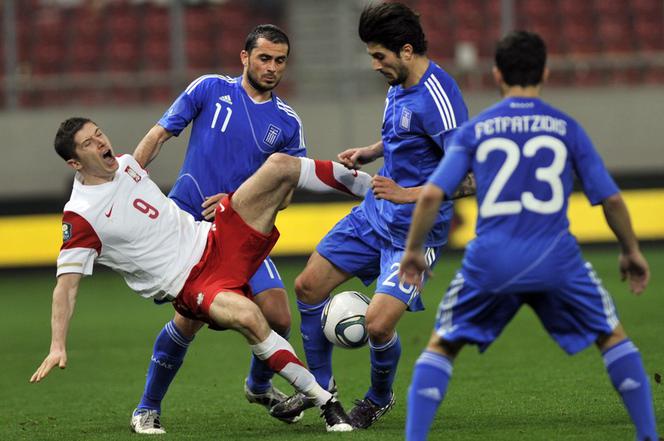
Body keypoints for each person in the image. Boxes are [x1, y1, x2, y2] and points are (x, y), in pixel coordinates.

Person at [29, 118, 377, 432]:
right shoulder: (80, 218)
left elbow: (154, 139)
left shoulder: (125, 165)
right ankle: (328, 404)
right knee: (250, 318)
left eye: (99, 133)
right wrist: (57, 344)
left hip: (214, 237)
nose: (100, 141)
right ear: (75, 162)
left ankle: (376, 190)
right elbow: (65, 288)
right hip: (193, 283)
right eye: (88, 143)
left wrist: (166, 130)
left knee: (279, 166)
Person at [399, 31, 659, 441]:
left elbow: (432, 192)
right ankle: (647, 434)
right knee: (612, 336)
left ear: (497, 73)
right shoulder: (566, 128)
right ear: (547, 73)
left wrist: (413, 251)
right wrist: (631, 251)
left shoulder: (476, 130)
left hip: (491, 261)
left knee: (442, 345)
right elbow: (609, 199)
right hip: (556, 259)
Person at [129, 24, 340, 433]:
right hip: (189, 227)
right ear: (245, 57)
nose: (272, 67)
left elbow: (287, 191)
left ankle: (258, 386)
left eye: (280, 60)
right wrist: (130, 178)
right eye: (264, 58)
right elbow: (159, 134)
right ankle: (147, 407)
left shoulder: (288, 122)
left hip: (240, 234)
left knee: (278, 316)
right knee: (187, 321)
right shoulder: (209, 89)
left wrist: (239, 201)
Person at [270, 2, 471, 429]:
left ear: (406, 50)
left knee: (378, 327)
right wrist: (371, 151)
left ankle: (380, 396)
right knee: (307, 286)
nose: (375, 65)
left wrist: (406, 193)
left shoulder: (439, 97)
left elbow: (471, 178)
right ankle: (320, 390)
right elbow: (403, 133)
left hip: (415, 234)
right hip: (373, 216)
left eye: (380, 56)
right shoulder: (398, 84)